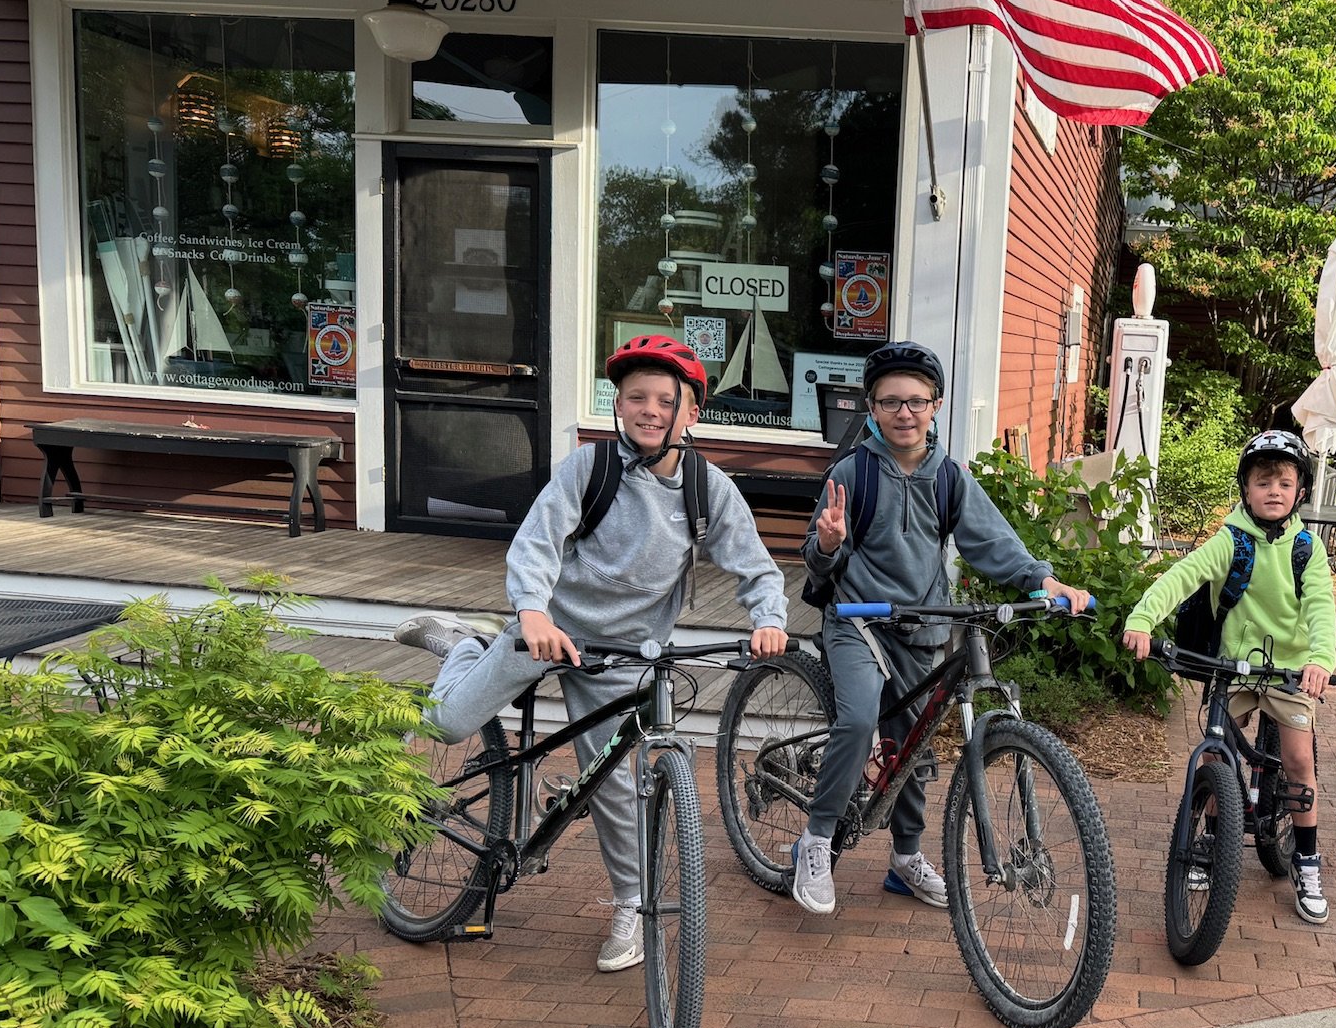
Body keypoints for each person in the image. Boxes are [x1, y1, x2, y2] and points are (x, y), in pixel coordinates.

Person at [393, 335, 788, 971]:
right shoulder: (591, 468)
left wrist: (769, 621)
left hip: (626, 651)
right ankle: (462, 649)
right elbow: (536, 544)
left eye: (667, 400)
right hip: (552, 627)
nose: (651, 409)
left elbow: (758, 569)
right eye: (637, 398)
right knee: (450, 722)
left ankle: (630, 907)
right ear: (619, 405)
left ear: (691, 412)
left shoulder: (706, 487)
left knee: (615, 786)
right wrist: (531, 613)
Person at [793, 340, 1093, 916]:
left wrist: (1042, 581)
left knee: (917, 745)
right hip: (859, 621)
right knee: (858, 721)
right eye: (890, 403)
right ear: (871, 408)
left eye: (916, 401)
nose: (904, 413)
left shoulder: (949, 476)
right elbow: (818, 559)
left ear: (935, 406)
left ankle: (905, 859)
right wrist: (828, 543)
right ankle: (816, 837)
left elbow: (991, 540)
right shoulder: (852, 473)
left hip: (924, 626)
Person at [1120, 429, 1336, 924]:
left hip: (1288, 671)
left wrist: (1320, 659)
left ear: (1300, 491)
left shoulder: (1307, 548)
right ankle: (1212, 837)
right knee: (1215, 752)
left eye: (1285, 482)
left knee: (1300, 761)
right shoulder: (1231, 541)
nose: (1274, 492)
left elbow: (1322, 606)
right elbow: (1183, 575)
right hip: (1233, 667)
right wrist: (1141, 619)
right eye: (1263, 482)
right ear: (1245, 489)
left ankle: (1306, 860)